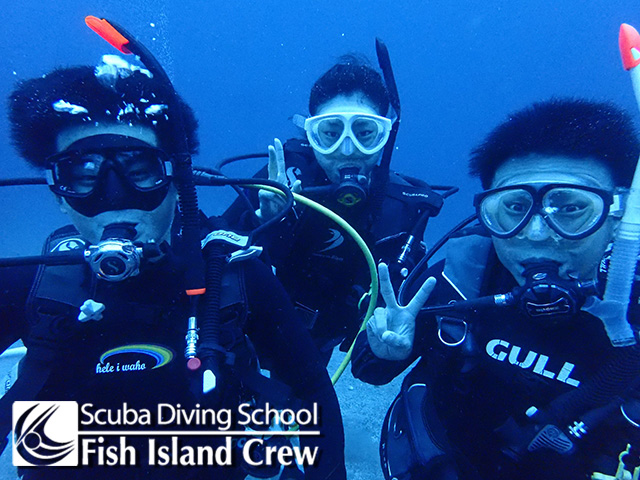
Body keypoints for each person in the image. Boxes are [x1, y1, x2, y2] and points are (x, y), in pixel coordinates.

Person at [0, 55, 346, 480]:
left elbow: (311, 387)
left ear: (176, 181)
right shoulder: (39, 284)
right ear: (58, 194)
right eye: (84, 176)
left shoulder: (230, 274)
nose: (114, 197)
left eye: (140, 170)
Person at [351, 98, 640, 480]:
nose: (536, 233)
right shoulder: (461, 278)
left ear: (620, 216)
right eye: (515, 207)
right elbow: (369, 372)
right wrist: (384, 352)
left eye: (571, 208)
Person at [224, 54, 447, 363]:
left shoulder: (403, 209)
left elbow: (374, 358)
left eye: (365, 133)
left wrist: (386, 353)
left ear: (385, 136)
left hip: (320, 343)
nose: (347, 149)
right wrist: (261, 224)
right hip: (247, 330)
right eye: (330, 133)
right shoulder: (284, 177)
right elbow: (212, 252)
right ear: (311, 134)